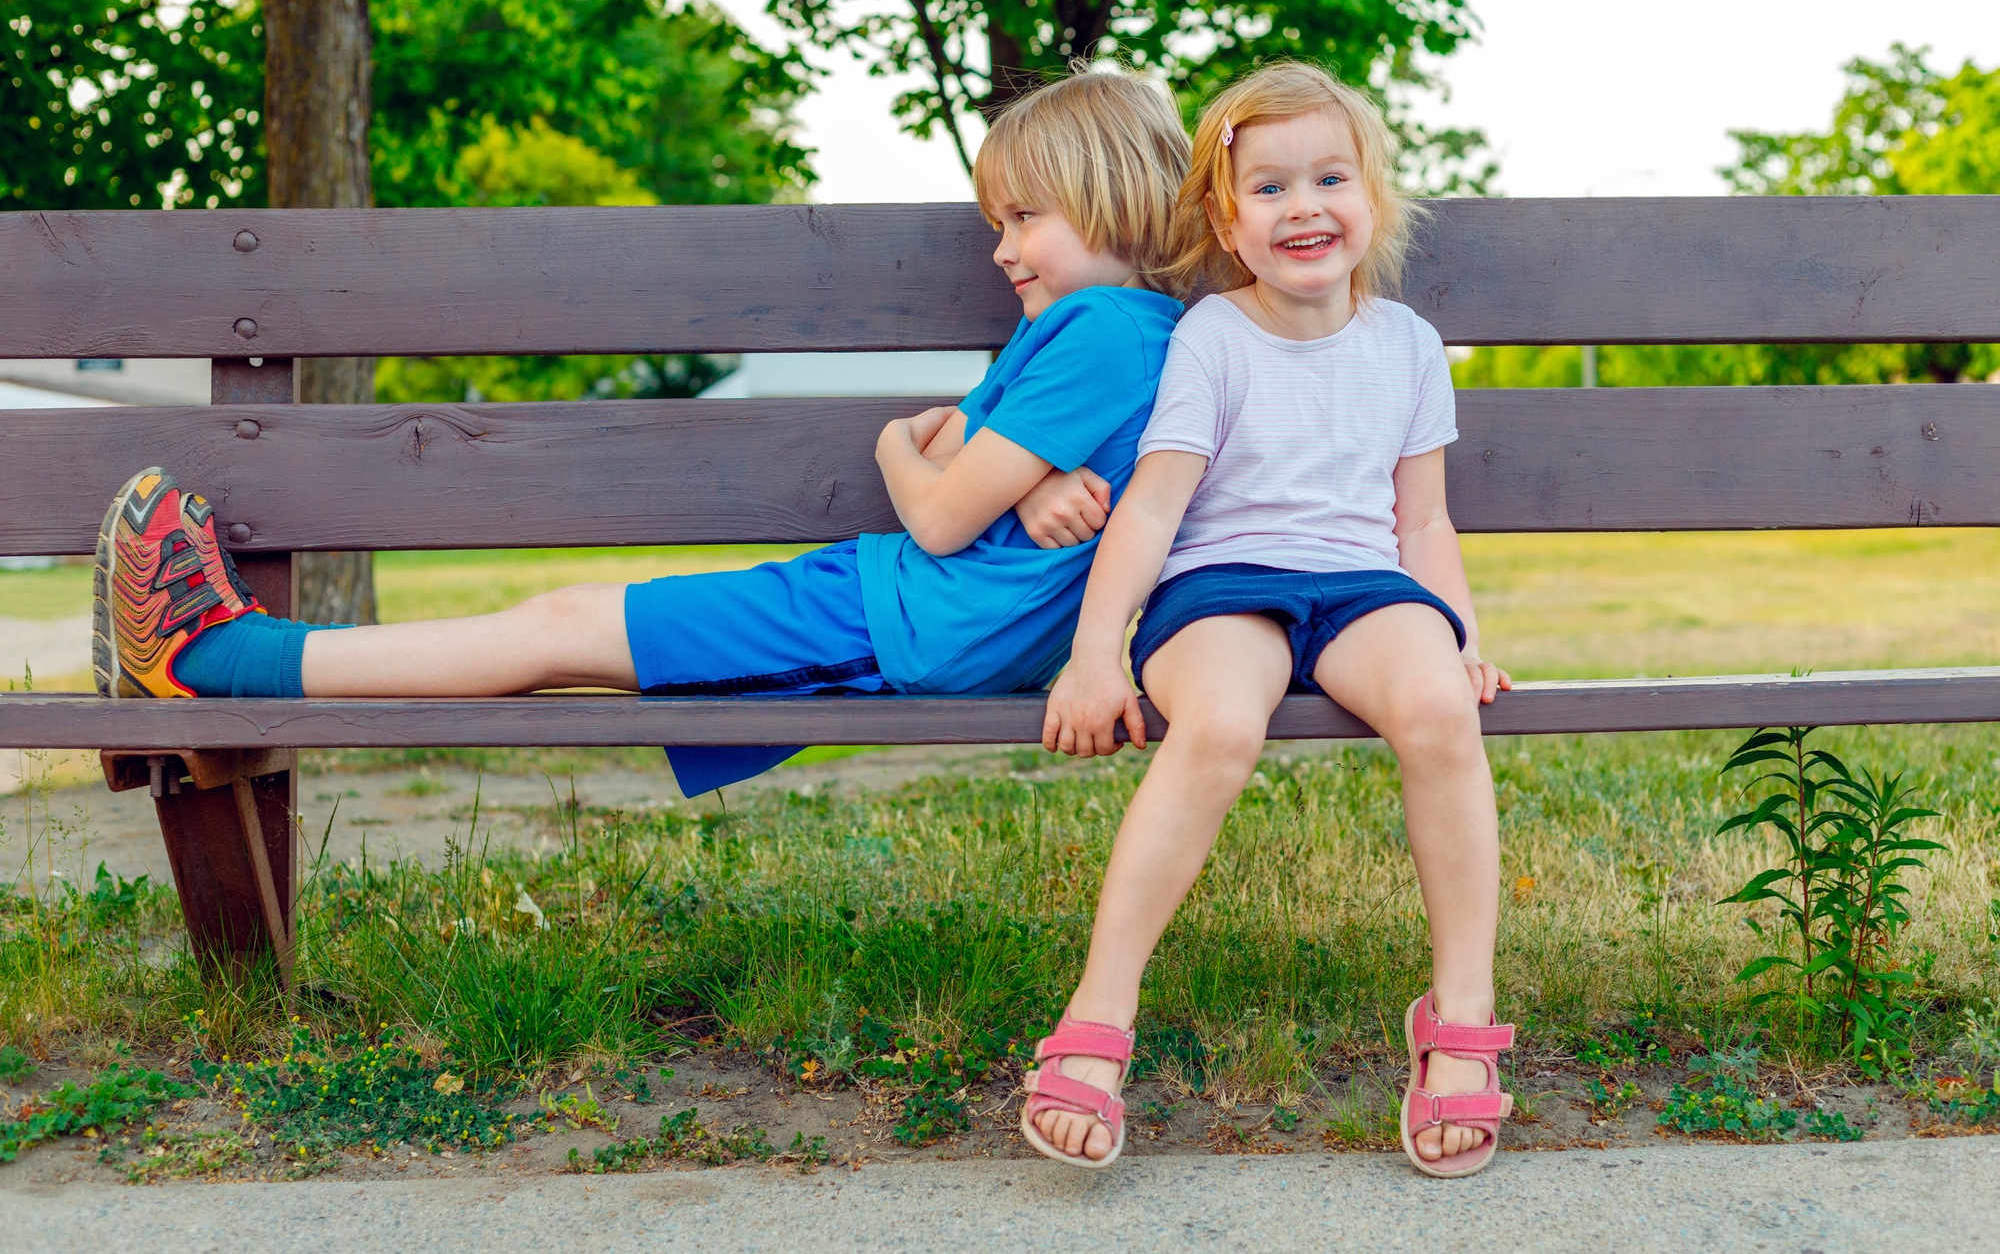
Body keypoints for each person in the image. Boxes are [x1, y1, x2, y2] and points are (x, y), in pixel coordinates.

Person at [93, 68, 1191, 800]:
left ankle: (210, 658)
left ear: (1112, 192)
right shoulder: (1131, 331)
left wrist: (895, 450)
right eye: (994, 224)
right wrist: (1016, 480)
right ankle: (227, 658)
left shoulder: (1096, 330)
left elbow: (946, 502)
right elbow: (997, 456)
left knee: (562, 629)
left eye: (1022, 218)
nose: (1002, 250)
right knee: (563, 629)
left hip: (911, 619)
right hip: (904, 609)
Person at [1022, 63, 1514, 1177]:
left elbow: (1421, 522)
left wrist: (1458, 633)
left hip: (1360, 587)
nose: (1304, 207)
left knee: (1439, 709)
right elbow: (1150, 509)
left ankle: (1459, 1020)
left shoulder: (1405, 345)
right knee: (1219, 727)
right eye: (1270, 187)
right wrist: (1097, 651)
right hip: (1220, 586)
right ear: (1225, 219)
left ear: (1370, 198)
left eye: (1329, 178)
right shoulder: (1213, 336)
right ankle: (1098, 1021)